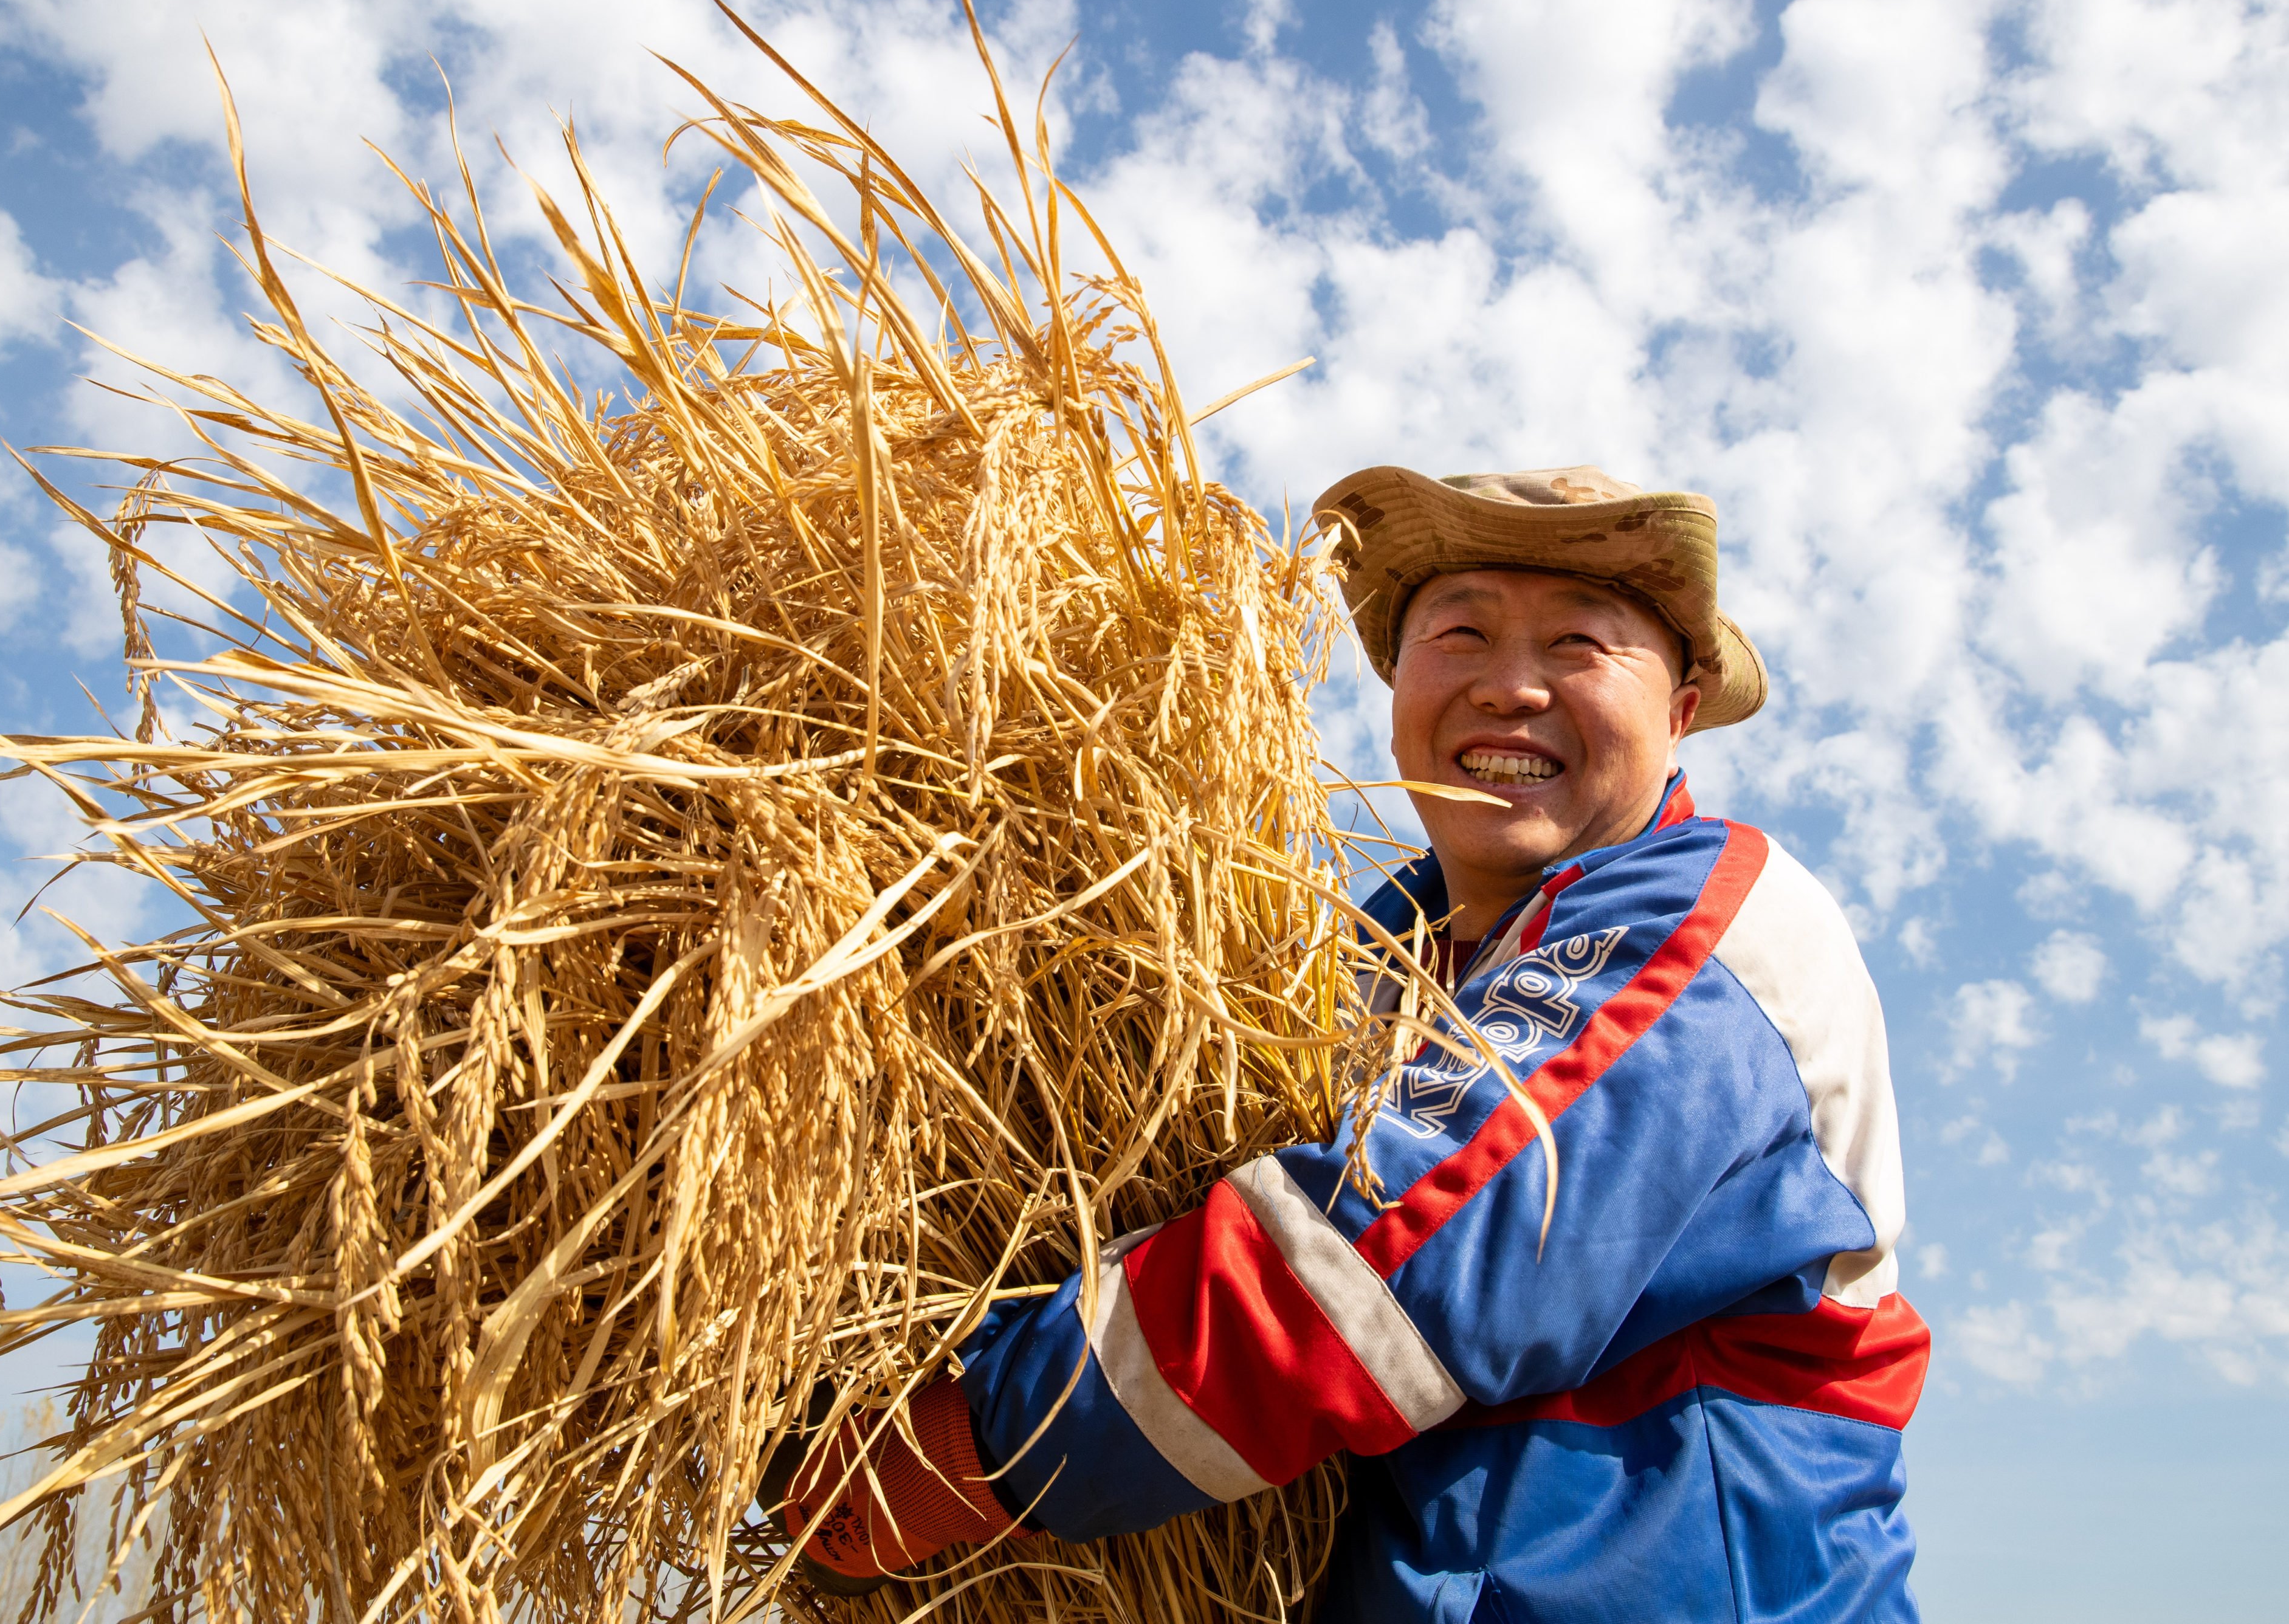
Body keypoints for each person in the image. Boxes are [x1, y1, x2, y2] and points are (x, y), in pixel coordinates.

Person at [767, 465, 1927, 1621]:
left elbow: (1393, 1252)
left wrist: (978, 1446)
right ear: (1397, 682)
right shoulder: (1357, 969)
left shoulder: (1715, 925)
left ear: (1679, 706)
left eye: (1579, 643)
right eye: (1461, 631)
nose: (1510, 687)